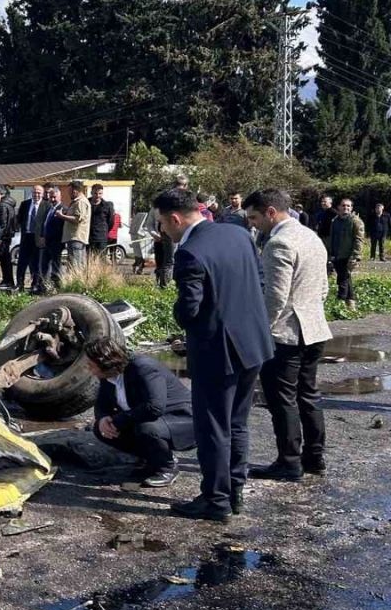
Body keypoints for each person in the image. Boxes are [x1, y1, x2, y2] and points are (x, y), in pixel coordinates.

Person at [155, 188, 273, 521]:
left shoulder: (190, 252)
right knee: (237, 423)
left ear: (175, 218)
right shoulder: (238, 234)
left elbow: (189, 311)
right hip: (253, 345)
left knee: (212, 427)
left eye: (163, 223)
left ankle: (215, 500)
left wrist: (180, 316)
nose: (163, 230)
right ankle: (235, 491)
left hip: (217, 352)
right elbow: (260, 282)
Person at [244, 189, 331, 481]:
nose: (253, 224)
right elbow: (323, 288)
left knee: (282, 400)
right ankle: (314, 457)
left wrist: (260, 331)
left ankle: (289, 462)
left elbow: (275, 297)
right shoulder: (311, 236)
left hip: (287, 334)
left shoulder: (278, 243)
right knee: (308, 394)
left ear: (271, 212)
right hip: (315, 328)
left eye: (255, 217)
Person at [87, 337, 195, 488]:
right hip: (152, 418)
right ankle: (151, 459)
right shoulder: (108, 375)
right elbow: (101, 403)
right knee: (100, 429)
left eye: (91, 366)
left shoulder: (143, 368)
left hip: (182, 418)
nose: (89, 370)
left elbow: (154, 407)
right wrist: (103, 418)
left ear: (106, 362)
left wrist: (118, 420)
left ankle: (167, 467)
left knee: (146, 428)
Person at [329, 198, 366, 311]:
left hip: (349, 255)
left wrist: (355, 256)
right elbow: (332, 238)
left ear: (351, 208)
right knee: (345, 278)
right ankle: (351, 303)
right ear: (339, 207)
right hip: (337, 255)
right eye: (343, 205)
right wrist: (331, 253)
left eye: (348, 206)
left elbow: (359, 240)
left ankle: (340, 302)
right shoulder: (335, 221)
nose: (346, 208)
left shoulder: (355, 221)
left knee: (343, 279)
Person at [15, 185, 45, 292]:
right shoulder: (25, 204)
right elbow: (19, 219)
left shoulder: (46, 205)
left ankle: (35, 284)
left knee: (37, 263)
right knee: (22, 262)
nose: (36, 195)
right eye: (34, 192)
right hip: (26, 236)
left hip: (38, 238)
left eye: (39, 193)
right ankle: (19, 284)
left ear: (42, 194)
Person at [37, 186, 65, 292]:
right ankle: (44, 286)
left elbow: (60, 228)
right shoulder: (49, 208)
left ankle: (57, 287)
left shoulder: (63, 209)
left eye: (54, 197)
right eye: (51, 197)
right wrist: (42, 236)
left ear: (59, 196)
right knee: (44, 265)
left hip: (56, 242)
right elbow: (44, 224)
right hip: (46, 241)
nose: (52, 199)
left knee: (56, 266)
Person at [58, 180, 90, 269]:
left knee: (76, 265)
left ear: (75, 191)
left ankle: (77, 282)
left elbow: (77, 219)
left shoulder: (81, 202)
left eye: (69, 191)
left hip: (77, 238)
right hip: (73, 238)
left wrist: (62, 216)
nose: (68, 193)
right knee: (72, 264)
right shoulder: (76, 201)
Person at [0, 187, 17, 288]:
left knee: (4, 259)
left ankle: (7, 280)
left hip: (3, 236)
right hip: (9, 234)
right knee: (6, 258)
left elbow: (2, 223)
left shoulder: (2, 206)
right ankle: (8, 280)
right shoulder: (10, 204)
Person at [88, 184, 115, 257]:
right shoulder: (86, 204)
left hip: (101, 237)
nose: (97, 195)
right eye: (95, 193)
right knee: (88, 261)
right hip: (88, 237)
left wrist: (104, 230)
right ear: (91, 193)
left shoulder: (107, 206)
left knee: (101, 261)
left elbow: (111, 222)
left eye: (100, 193)